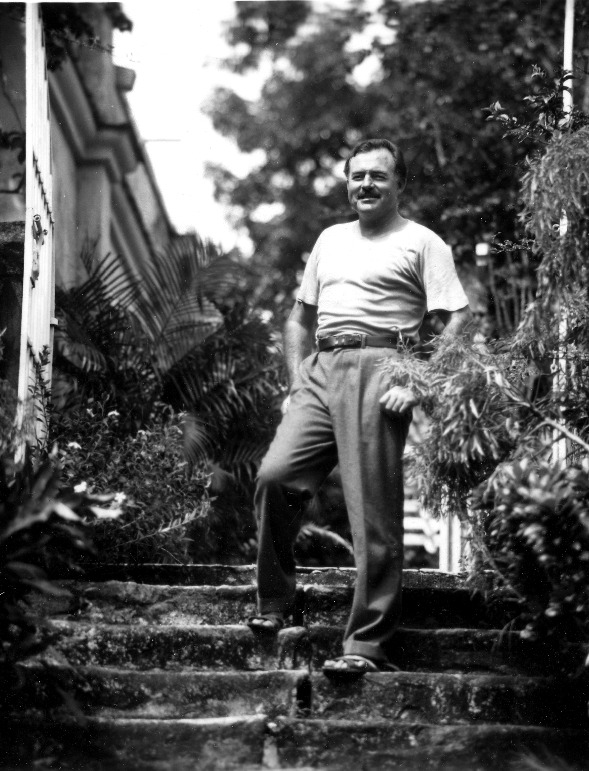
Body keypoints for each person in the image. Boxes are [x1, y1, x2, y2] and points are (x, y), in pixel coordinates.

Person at [245, 138, 471, 675]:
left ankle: (366, 645)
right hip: (323, 370)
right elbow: (298, 318)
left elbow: (458, 321)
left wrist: (418, 381)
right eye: (357, 176)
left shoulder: (423, 243)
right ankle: (274, 601)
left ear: (400, 184)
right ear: (347, 183)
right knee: (276, 476)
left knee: (371, 511)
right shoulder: (329, 239)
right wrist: (297, 380)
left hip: (382, 366)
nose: (365, 184)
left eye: (378, 176)